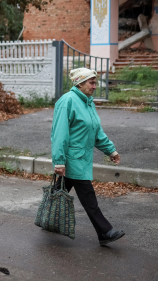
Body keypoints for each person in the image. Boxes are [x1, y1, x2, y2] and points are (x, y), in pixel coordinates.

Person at [51, 68, 125, 246]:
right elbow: (59, 134)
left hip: (82, 158)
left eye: (95, 82)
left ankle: (49, 218)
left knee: (58, 191)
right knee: (88, 195)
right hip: (72, 159)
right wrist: (59, 161)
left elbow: (96, 130)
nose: (95, 86)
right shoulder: (67, 101)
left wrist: (111, 150)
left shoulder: (88, 102)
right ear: (79, 83)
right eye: (91, 83)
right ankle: (105, 231)